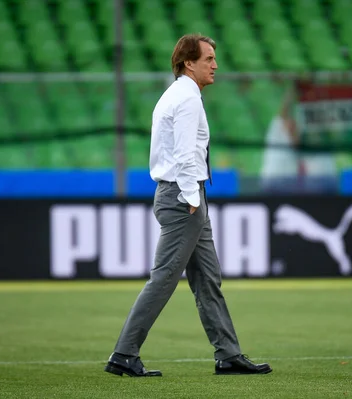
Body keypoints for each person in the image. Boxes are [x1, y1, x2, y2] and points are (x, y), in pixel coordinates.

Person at [104, 34, 272, 377]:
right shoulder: (187, 98)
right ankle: (123, 353)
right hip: (184, 198)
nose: (215, 65)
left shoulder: (180, 94)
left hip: (185, 196)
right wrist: (192, 198)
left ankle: (228, 354)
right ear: (188, 62)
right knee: (164, 277)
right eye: (208, 58)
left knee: (207, 278)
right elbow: (183, 154)